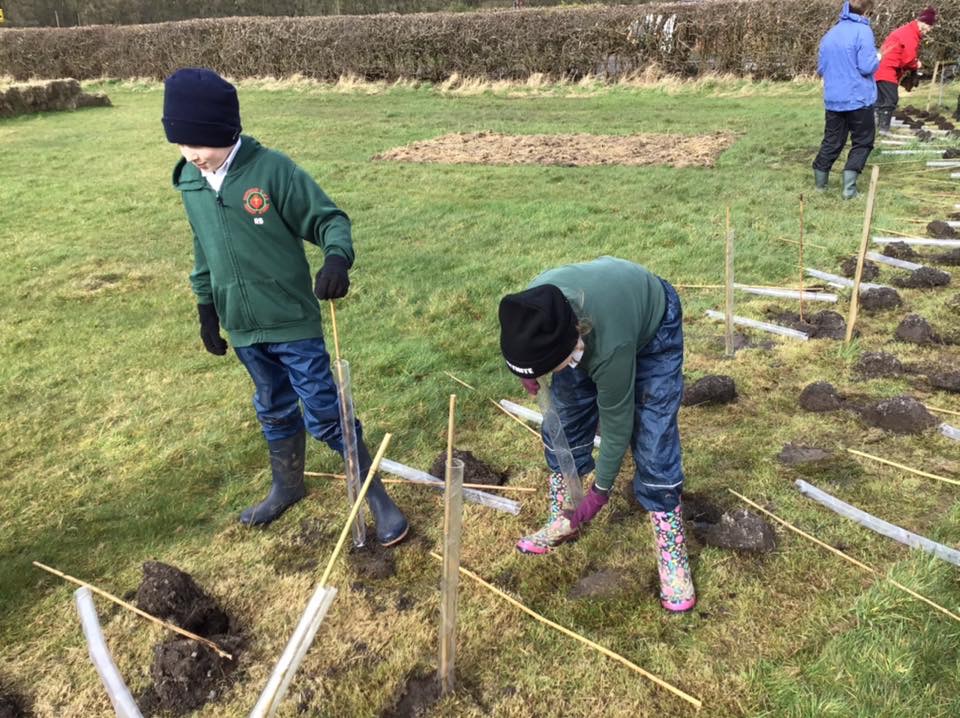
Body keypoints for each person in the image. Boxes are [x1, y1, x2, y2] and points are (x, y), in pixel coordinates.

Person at [162, 68, 408, 545]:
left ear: (226, 131)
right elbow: (202, 249)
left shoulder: (272, 171)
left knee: (324, 411)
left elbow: (328, 219)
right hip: (243, 327)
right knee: (273, 405)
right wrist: (205, 307)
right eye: (181, 144)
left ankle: (374, 494)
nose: (193, 155)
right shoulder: (191, 182)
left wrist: (336, 258)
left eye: (200, 143)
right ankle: (287, 486)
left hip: (292, 322)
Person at [497, 257, 695, 613]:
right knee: (566, 418)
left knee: (653, 434)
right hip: (584, 327)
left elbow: (618, 426)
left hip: (651, 322)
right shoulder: (535, 308)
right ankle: (564, 516)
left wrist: (599, 493)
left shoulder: (610, 347)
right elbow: (525, 344)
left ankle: (672, 552)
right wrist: (529, 371)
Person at [812, 0, 880, 199]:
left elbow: (821, 68)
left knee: (832, 141)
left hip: (834, 99)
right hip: (858, 98)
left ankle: (820, 186)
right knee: (863, 141)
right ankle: (849, 190)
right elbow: (867, 66)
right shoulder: (863, 31)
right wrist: (878, 58)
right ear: (868, 11)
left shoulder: (830, 34)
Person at [875, 6, 937, 134]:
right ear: (924, 23)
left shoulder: (907, 30)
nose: (930, 30)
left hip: (882, 68)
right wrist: (916, 65)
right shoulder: (910, 35)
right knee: (890, 99)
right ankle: (883, 129)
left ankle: (874, 127)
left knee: (880, 100)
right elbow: (908, 59)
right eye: (930, 27)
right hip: (887, 69)